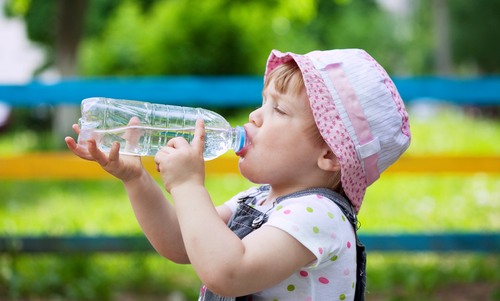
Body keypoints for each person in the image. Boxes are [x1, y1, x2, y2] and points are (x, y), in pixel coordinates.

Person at [65, 49, 411, 301]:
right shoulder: (258, 198)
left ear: (330, 153)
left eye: (278, 109)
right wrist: (136, 179)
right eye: (263, 102)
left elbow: (227, 273)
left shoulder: (320, 215)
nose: (255, 116)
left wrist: (187, 184)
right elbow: (181, 242)